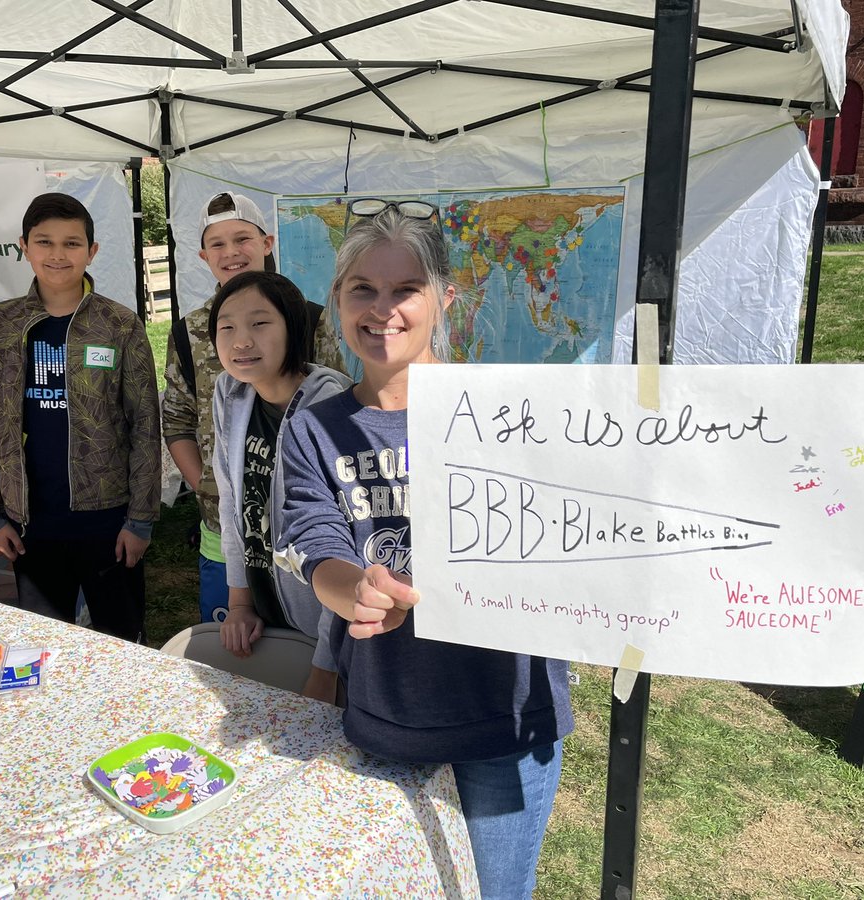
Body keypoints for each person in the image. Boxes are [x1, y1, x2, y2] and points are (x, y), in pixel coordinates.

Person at [275, 201, 574, 897]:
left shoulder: (508, 409)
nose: (384, 310)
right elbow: (316, 538)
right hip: (388, 713)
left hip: (506, 720)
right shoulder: (314, 430)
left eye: (405, 288)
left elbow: (562, 540)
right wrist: (357, 591)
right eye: (363, 290)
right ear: (337, 301)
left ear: (444, 298)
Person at [0, 193, 160, 643]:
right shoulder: (0, 324)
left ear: (91, 251)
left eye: (72, 243)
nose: (57, 255)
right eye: (44, 242)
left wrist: (141, 520)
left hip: (108, 521)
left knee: (121, 641)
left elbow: (145, 425)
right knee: (44, 644)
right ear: (24, 247)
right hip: (32, 521)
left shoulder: (119, 325)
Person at [162, 191, 346, 627]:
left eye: (242, 239)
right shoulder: (189, 332)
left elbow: (338, 412)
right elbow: (177, 419)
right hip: (223, 526)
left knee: (314, 639)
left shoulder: (310, 319)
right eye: (218, 244)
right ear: (204, 255)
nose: (231, 253)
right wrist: (212, 485)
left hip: (307, 521)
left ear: (266, 244)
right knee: (244, 642)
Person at [209, 270, 351, 701]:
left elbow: (346, 549)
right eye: (227, 327)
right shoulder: (230, 392)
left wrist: (327, 667)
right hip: (267, 610)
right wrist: (240, 605)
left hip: (327, 625)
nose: (241, 341)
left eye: (259, 323)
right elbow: (231, 505)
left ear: (293, 327)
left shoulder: (332, 405)